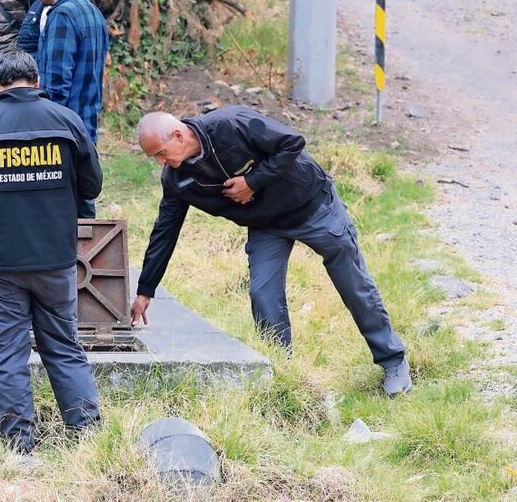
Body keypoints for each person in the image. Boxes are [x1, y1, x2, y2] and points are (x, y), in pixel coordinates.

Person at [130, 107, 413, 396]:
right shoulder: (176, 180)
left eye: (161, 153)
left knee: (353, 283)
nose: (160, 163)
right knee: (263, 294)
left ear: (178, 135)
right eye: (155, 158)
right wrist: (146, 289)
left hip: (312, 206)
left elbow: (292, 143)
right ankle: (282, 375)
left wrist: (253, 182)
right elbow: (165, 229)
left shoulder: (231, 124)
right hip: (266, 226)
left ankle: (392, 359)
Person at [0, 49, 103, 454]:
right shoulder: (68, 121)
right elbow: (92, 187)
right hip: (56, 257)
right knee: (64, 346)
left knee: (7, 353)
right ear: (36, 78)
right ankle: (90, 441)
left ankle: (19, 449)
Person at [31, 0, 109, 218]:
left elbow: (55, 86)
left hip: (63, 130)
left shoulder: (62, 15)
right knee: (82, 203)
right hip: (86, 124)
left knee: (61, 207)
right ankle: (89, 260)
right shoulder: (92, 11)